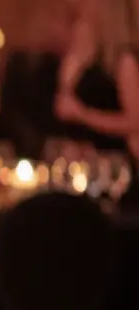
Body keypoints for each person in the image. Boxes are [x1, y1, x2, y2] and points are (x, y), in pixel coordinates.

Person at [55, 0, 139, 204]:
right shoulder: (91, 59)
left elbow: (135, 121)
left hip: (115, 173)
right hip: (86, 169)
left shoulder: (124, 60)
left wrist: (83, 114)